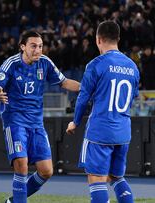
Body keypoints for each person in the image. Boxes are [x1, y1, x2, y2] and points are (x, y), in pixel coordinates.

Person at [0, 30, 80, 203]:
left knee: (46, 171)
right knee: (21, 166)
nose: (38, 50)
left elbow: (65, 82)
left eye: (40, 46)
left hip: (36, 124)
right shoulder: (11, 64)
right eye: (33, 46)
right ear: (22, 47)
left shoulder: (45, 63)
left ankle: (13, 201)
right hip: (14, 122)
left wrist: (86, 88)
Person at [66, 20, 140, 203]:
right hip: (123, 131)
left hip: (100, 130)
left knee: (96, 178)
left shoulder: (96, 64)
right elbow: (133, 97)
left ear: (98, 39)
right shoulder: (132, 66)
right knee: (116, 177)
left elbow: (83, 97)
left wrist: (75, 121)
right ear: (118, 39)